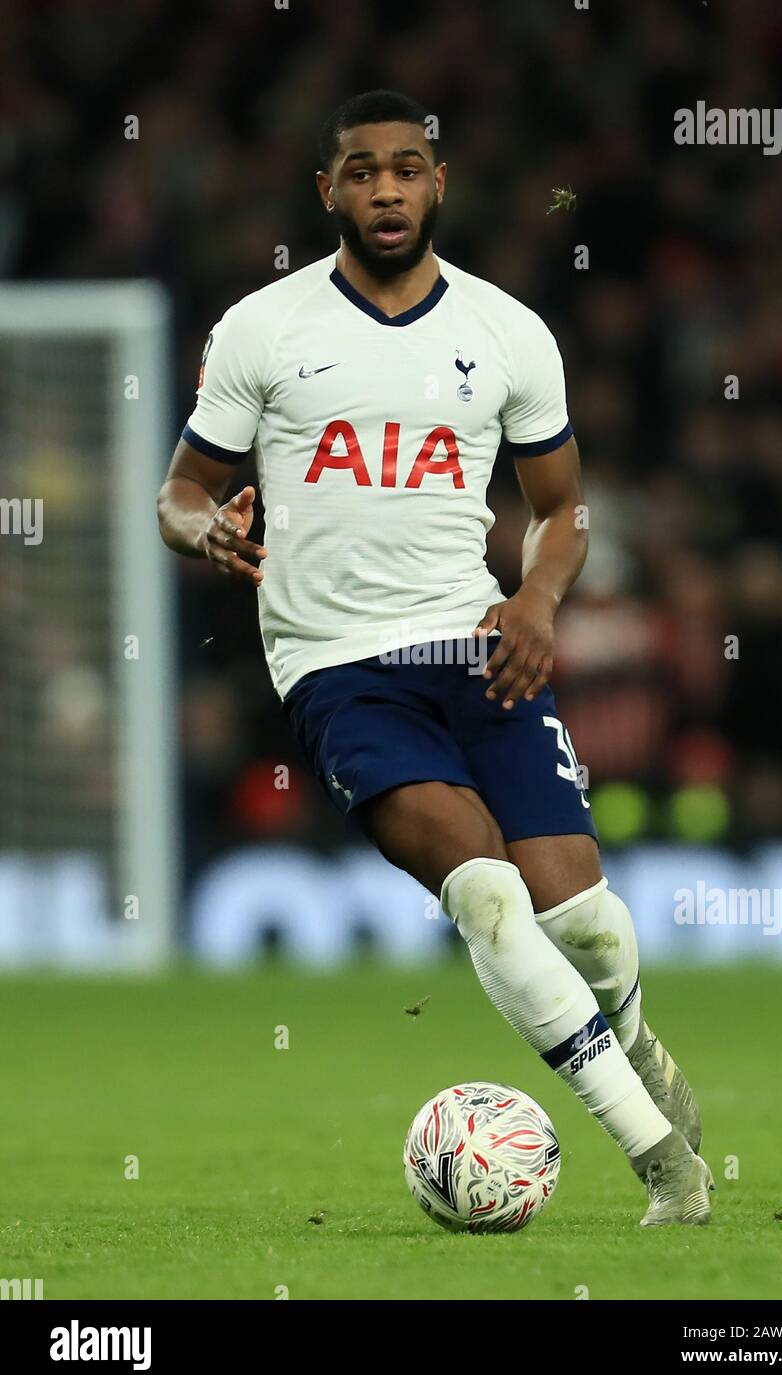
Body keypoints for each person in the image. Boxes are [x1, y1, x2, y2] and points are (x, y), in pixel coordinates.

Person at [157, 88, 713, 1226]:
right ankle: (665, 1163)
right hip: (338, 667)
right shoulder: (263, 328)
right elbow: (180, 490)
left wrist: (540, 597)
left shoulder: (507, 332)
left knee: (588, 929)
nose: (385, 190)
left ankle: (634, 1038)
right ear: (328, 191)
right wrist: (202, 528)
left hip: (480, 647)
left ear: (437, 181)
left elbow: (562, 509)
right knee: (489, 896)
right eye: (361, 172)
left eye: (405, 168)